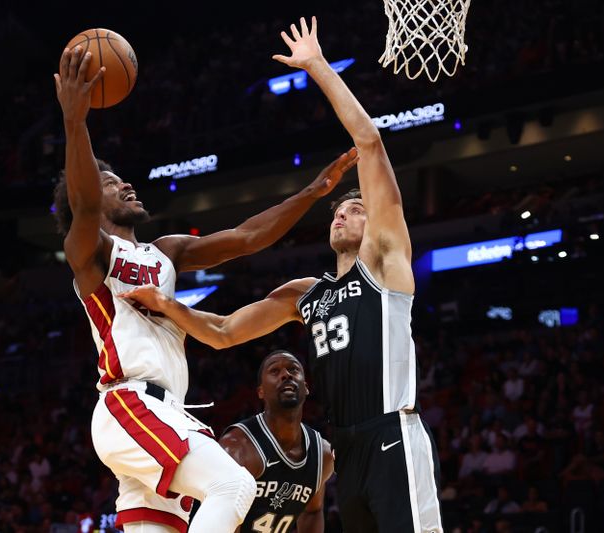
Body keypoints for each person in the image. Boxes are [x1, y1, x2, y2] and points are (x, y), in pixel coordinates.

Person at [120, 17, 444, 532]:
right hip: (347, 448)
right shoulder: (305, 294)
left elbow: (371, 144)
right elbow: (225, 332)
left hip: (391, 436)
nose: (342, 213)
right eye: (338, 210)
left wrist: (318, 67)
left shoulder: (385, 262)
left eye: (356, 208)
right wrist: (168, 307)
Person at [52, 45, 358, 533]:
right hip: (129, 403)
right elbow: (85, 205)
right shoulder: (91, 253)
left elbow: (245, 239)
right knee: (235, 486)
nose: (126, 186)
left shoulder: (166, 251)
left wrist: (312, 193)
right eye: (112, 184)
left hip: (166, 412)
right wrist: (76, 122)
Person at [221, 350, 334, 533]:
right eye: (275, 371)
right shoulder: (238, 449)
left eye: (293, 369)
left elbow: (313, 512)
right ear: (261, 392)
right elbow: (221, 522)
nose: (286, 374)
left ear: (305, 387)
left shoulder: (323, 455)